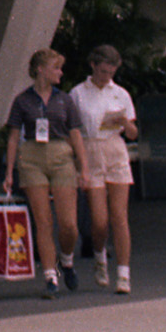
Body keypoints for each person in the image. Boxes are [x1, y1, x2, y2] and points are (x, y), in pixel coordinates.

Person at [0, 47, 83, 298]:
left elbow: (76, 133)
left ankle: (66, 260)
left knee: (68, 224)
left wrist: (83, 165)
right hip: (32, 156)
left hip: (60, 154)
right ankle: (50, 276)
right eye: (56, 67)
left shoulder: (64, 99)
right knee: (43, 221)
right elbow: (13, 137)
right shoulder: (22, 100)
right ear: (41, 70)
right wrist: (9, 172)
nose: (60, 72)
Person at [69, 44, 139, 295]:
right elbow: (73, 130)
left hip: (115, 149)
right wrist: (80, 162)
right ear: (93, 66)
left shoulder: (120, 93)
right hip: (90, 149)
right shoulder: (78, 93)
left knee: (120, 216)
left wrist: (123, 122)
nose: (106, 77)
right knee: (99, 221)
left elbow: (132, 133)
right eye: (102, 72)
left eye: (111, 73)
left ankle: (123, 273)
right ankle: (99, 256)